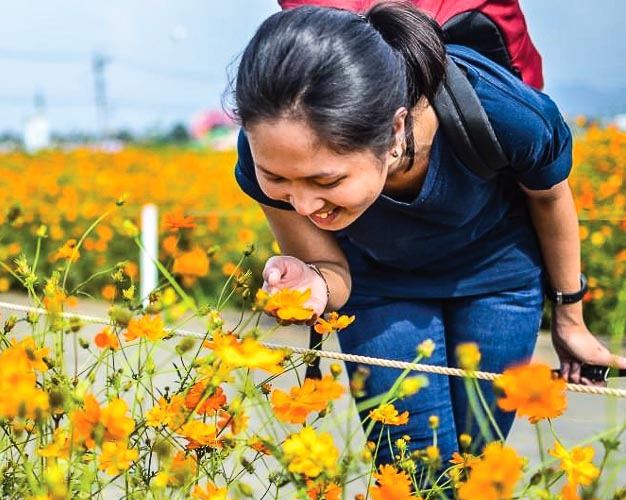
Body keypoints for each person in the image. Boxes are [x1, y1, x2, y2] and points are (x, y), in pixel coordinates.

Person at [230, 1, 626, 467]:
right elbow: (333, 271)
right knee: (412, 474)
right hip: (379, 289)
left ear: (395, 129)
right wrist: (313, 283)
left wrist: (570, 320)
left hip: (497, 281)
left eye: (327, 181)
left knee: (474, 471)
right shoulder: (270, 153)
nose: (302, 204)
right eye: (277, 179)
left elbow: (550, 198)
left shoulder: (501, 112)